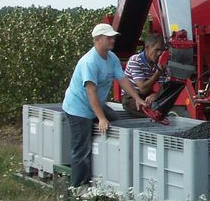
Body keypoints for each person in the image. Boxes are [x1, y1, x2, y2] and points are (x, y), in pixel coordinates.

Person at [62, 23, 147, 189]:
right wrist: (101, 118)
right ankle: (79, 186)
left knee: (115, 119)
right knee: (81, 148)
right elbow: (90, 92)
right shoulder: (89, 62)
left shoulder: (111, 57)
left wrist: (137, 97)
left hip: (96, 104)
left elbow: (122, 79)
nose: (112, 41)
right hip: (79, 108)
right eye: (109, 38)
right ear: (97, 40)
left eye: (113, 38)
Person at [122, 33, 167, 118]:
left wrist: (156, 95)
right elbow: (142, 88)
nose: (159, 53)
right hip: (131, 97)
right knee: (151, 113)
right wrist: (158, 72)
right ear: (147, 48)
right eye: (156, 50)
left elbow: (163, 85)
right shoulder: (135, 60)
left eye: (161, 50)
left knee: (165, 107)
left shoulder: (158, 62)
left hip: (147, 95)